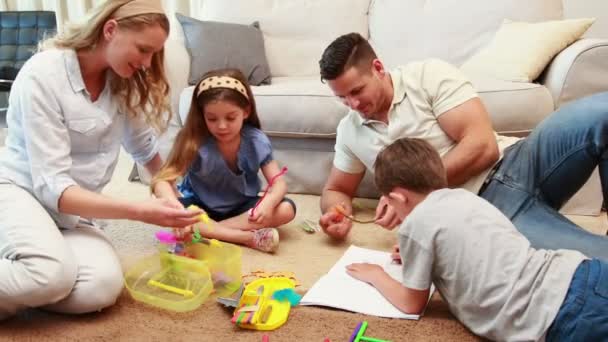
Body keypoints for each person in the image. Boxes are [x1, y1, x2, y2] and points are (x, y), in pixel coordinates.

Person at [317, 32, 608, 260]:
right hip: (484, 212)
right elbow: (336, 190)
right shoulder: (350, 131)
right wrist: (337, 213)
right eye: (342, 98)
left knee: (602, 112)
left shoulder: (427, 75)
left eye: (357, 91)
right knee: (592, 263)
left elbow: (483, 147)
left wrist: (413, 193)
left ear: (378, 68)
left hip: (521, 159)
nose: (353, 105)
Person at [0, 0, 204, 320]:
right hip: (22, 193)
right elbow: (55, 188)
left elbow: (147, 153)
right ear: (110, 30)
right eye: (143, 49)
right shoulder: (43, 75)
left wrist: (171, 203)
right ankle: (36, 270)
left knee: (101, 287)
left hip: (76, 213)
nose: (148, 63)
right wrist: (140, 211)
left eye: (154, 54)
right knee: (52, 274)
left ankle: (30, 275)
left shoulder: (122, 82)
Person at [346, 137, 608, 341]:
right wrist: (422, 254)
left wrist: (377, 275)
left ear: (399, 197)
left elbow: (411, 303)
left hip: (558, 316)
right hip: (580, 271)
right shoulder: (466, 198)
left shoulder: (414, 224)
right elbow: (478, 244)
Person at [151, 68, 296, 253]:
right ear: (202, 115)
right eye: (212, 118)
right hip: (200, 209)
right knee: (174, 211)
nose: (221, 126)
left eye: (230, 117)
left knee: (286, 208)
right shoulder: (193, 141)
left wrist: (268, 203)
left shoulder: (256, 140)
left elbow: (279, 183)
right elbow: (162, 180)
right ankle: (245, 237)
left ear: (246, 111)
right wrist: (174, 207)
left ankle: (212, 232)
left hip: (241, 207)